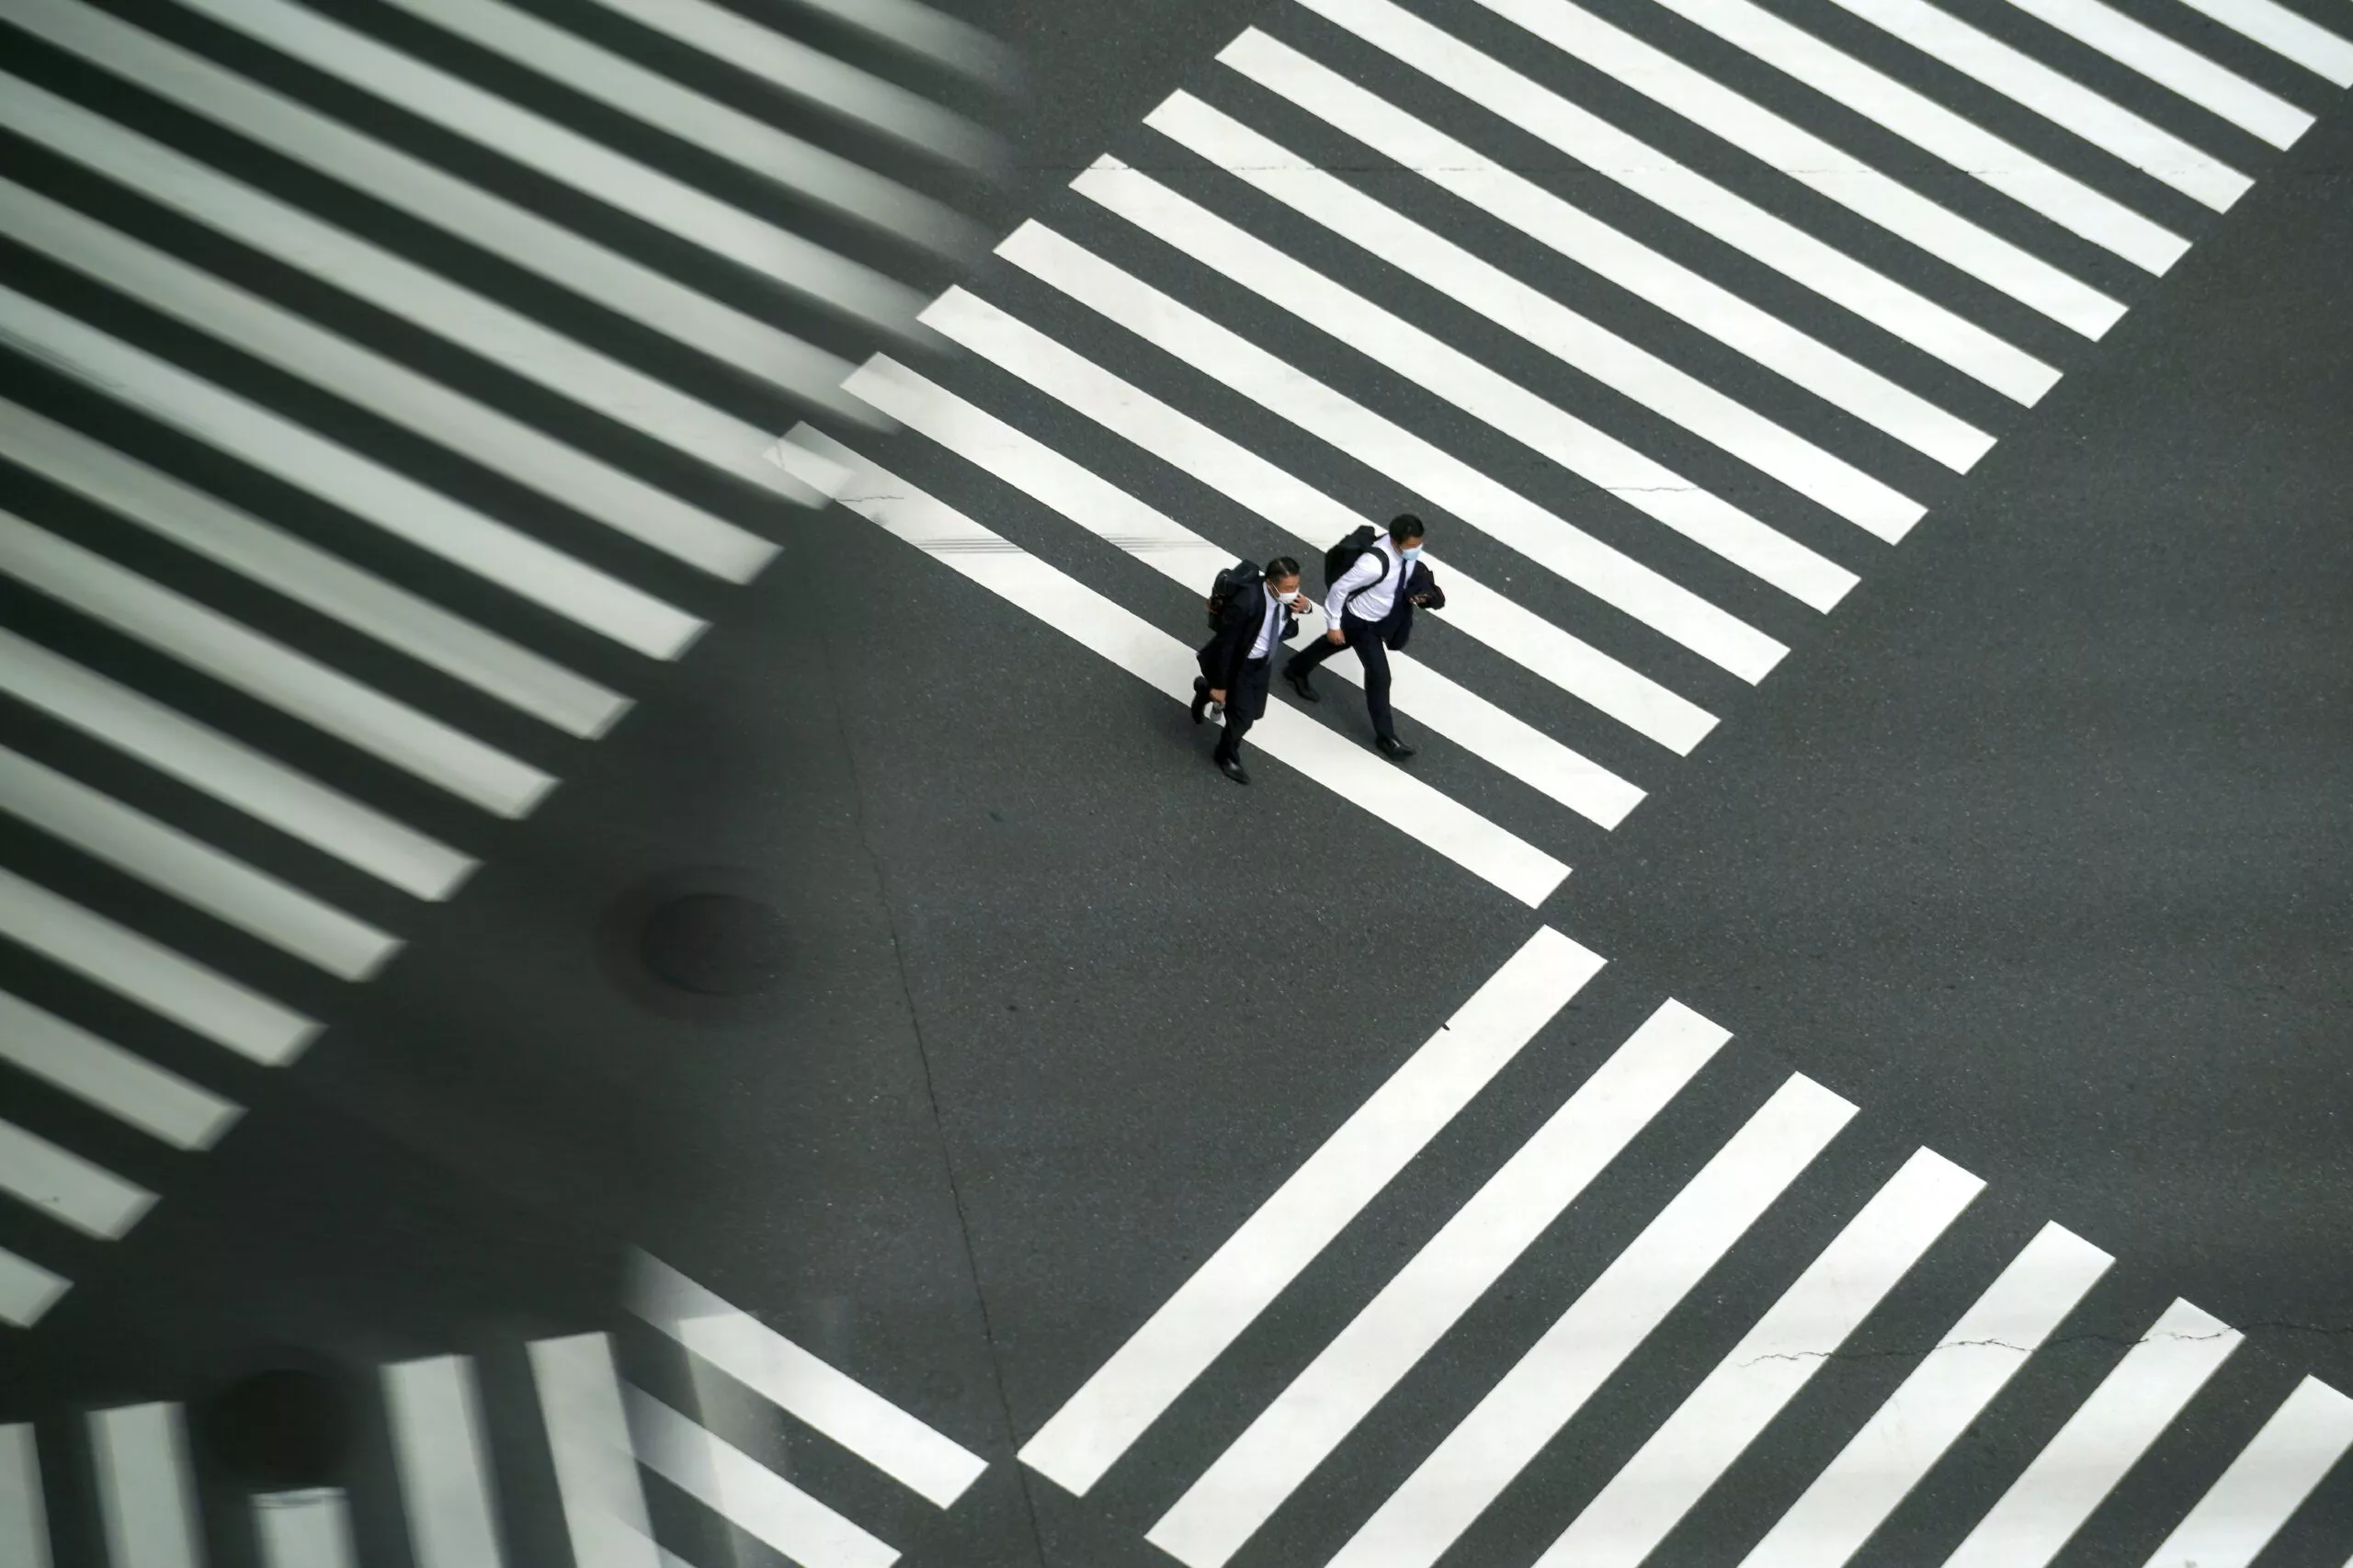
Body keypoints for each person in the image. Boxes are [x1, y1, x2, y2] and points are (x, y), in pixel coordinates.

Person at [1283, 514, 1443, 760]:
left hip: (1378, 619)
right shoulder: (1372, 565)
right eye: (1412, 546)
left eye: (1419, 544)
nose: (1417, 549)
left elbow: (1404, 577)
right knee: (1380, 676)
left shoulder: (1404, 554)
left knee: (1332, 645)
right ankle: (1386, 737)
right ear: (1395, 541)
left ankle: (1295, 669)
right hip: (1359, 621)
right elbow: (1340, 589)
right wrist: (1334, 624)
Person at [1192, 556, 1309, 785]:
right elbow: (1226, 645)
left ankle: (1204, 691)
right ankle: (1225, 756)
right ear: (1270, 584)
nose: (1294, 592)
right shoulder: (1246, 603)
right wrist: (1220, 685)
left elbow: (1287, 621)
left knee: (1255, 711)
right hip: (1240, 665)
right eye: (1289, 588)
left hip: (1262, 661)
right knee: (1243, 719)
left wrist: (1305, 608)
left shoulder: (1284, 597)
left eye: (1296, 586)